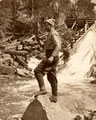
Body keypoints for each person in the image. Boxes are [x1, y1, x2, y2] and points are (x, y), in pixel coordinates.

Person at [34, 18, 61, 103]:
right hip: (49, 55)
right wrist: (39, 41)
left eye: (46, 25)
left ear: (50, 25)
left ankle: (45, 91)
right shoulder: (50, 34)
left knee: (38, 71)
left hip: (52, 56)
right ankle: (53, 96)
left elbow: (58, 46)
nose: (45, 27)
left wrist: (52, 56)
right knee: (50, 76)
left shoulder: (53, 34)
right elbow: (47, 47)